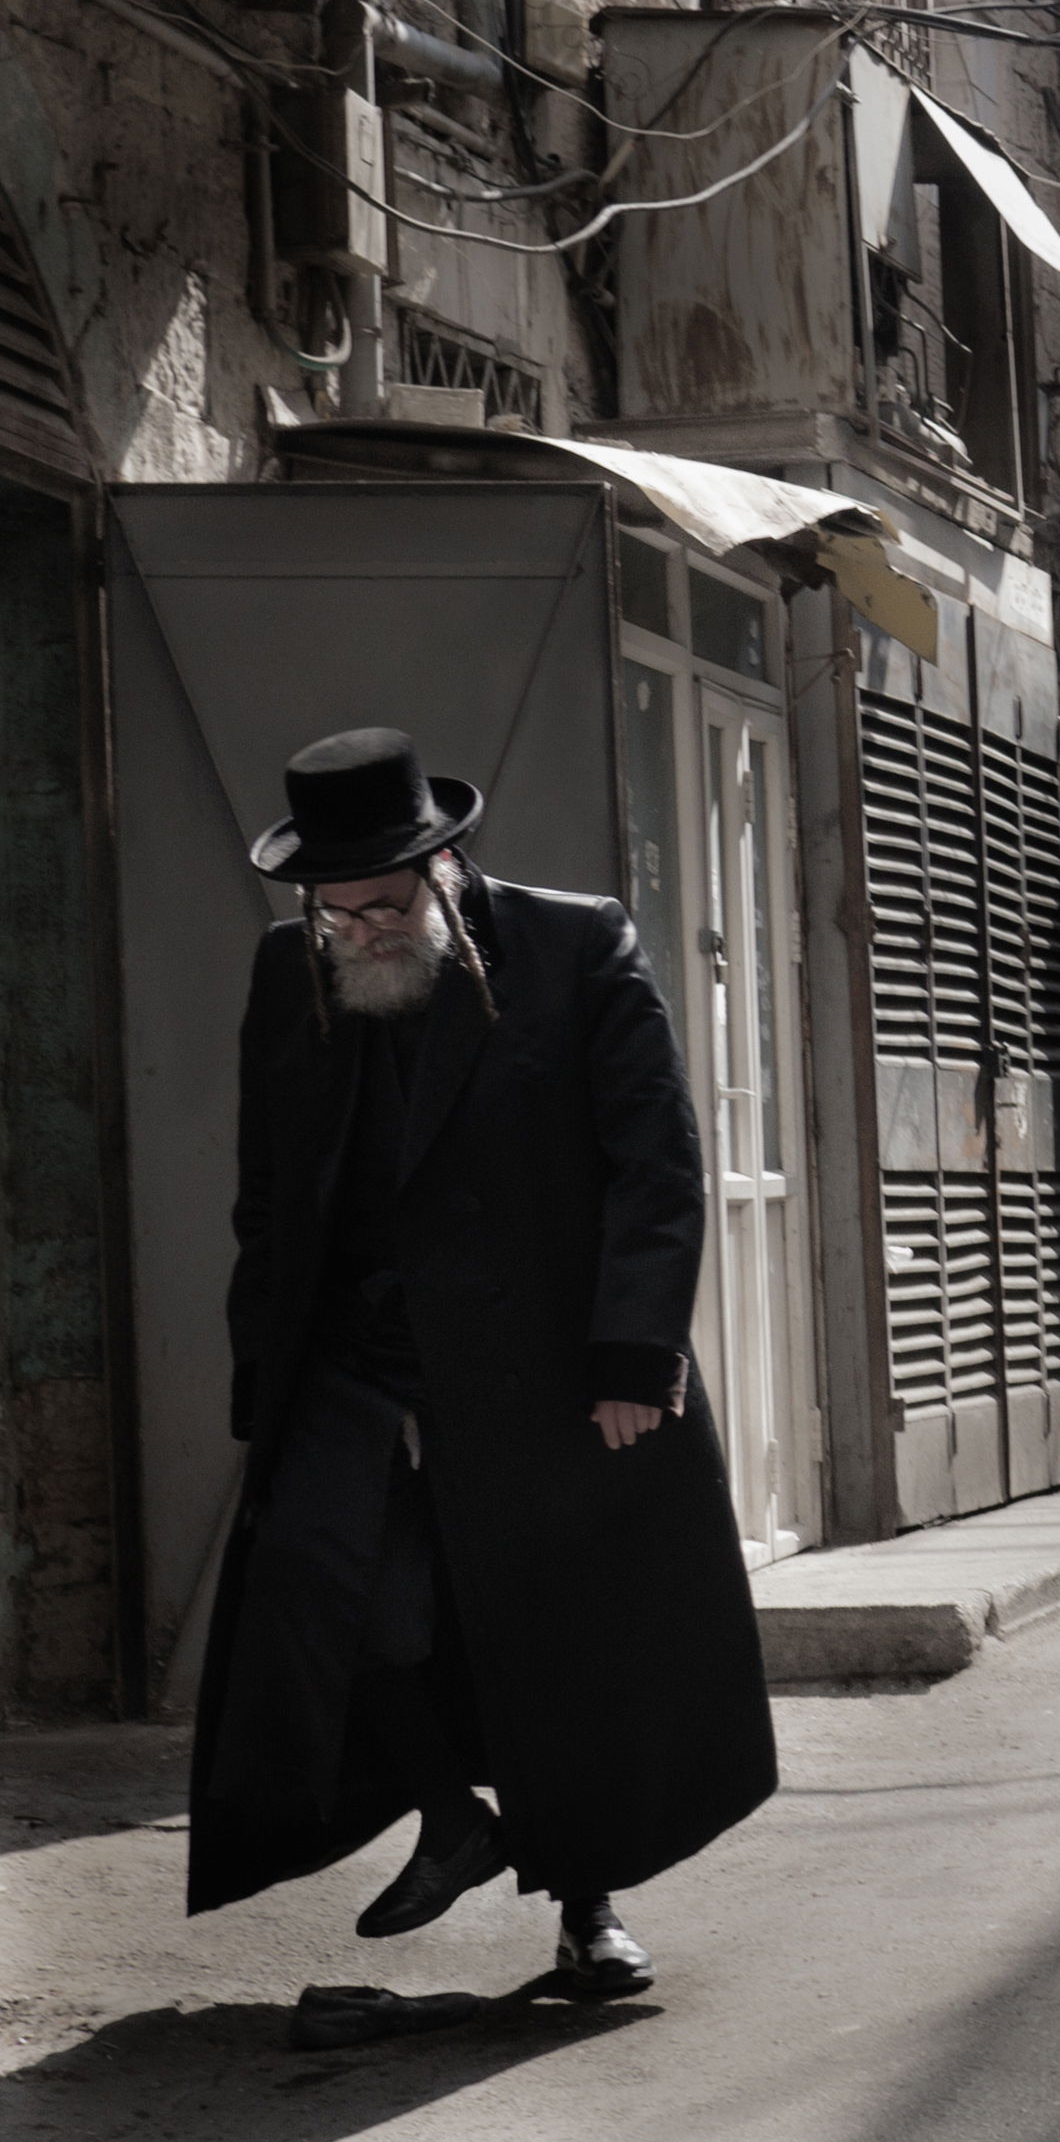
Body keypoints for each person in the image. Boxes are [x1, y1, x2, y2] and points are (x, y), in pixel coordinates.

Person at [189, 727, 777, 2026]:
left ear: (445, 864)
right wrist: (262, 1378)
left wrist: (636, 1349)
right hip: (358, 1360)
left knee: (556, 1643)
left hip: (544, 1365)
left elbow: (655, 1159)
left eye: (385, 903)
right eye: (335, 908)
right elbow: (270, 1200)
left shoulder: (574, 946)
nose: (360, 927)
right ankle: (457, 1820)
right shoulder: (290, 972)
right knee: (330, 1598)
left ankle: (589, 1912)